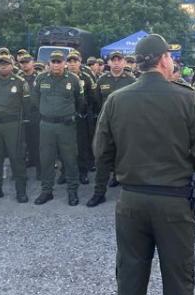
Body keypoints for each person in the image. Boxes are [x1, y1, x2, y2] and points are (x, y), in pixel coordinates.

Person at [93, 33, 195, 295]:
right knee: (179, 282)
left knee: (130, 280)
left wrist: (126, 170)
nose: (172, 61)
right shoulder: (187, 98)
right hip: (174, 201)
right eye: (170, 56)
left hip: (132, 200)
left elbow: (101, 153)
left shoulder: (116, 99)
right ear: (163, 59)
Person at [34, 52, 85, 205]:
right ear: (49, 63)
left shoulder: (73, 79)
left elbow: (80, 101)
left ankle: (72, 191)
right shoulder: (41, 78)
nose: (56, 65)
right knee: (46, 159)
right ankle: (46, 190)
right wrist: (46, 112)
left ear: (64, 63)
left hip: (66, 126)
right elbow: (35, 98)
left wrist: (70, 114)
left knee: (70, 159)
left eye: (59, 61)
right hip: (47, 125)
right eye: (53, 61)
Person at [88, 52, 137, 206]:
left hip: (126, 125)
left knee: (127, 157)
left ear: (124, 63)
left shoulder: (131, 80)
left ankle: (129, 194)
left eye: (119, 60)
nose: (116, 63)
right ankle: (99, 193)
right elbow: (96, 101)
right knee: (102, 157)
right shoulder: (102, 79)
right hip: (106, 124)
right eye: (113, 60)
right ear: (108, 62)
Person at [0, 55, 30, 203]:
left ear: (12, 65)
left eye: (6, 64)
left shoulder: (20, 82)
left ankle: (21, 191)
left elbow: (27, 105)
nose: (3, 66)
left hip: (13, 125)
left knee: (17, 158)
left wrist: (22, 123)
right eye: (1, 64)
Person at [69, 52, 97, 185]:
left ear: (80, 62)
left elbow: (93, 96)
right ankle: (65, 172)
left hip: (82, 117)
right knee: (66, 146)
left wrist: (85, 110)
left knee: (82, 146)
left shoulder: (86, 77)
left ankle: (83, 172)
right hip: (66, 116)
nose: (72, 64)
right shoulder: (63, 76)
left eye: (75, 61)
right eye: (70, 61)